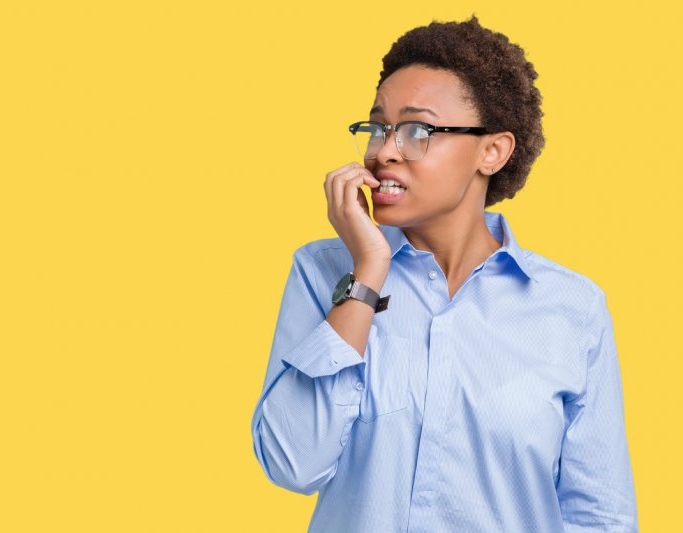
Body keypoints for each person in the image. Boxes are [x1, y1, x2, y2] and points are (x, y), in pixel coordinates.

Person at [249, 14, 638, 532]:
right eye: (378, 127)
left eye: (417, 130)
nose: (384, 151)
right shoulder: (324, 271)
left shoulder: (572, 308)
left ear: (492, 151)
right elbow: (293, 464)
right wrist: (367, 274)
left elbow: (600, 515)